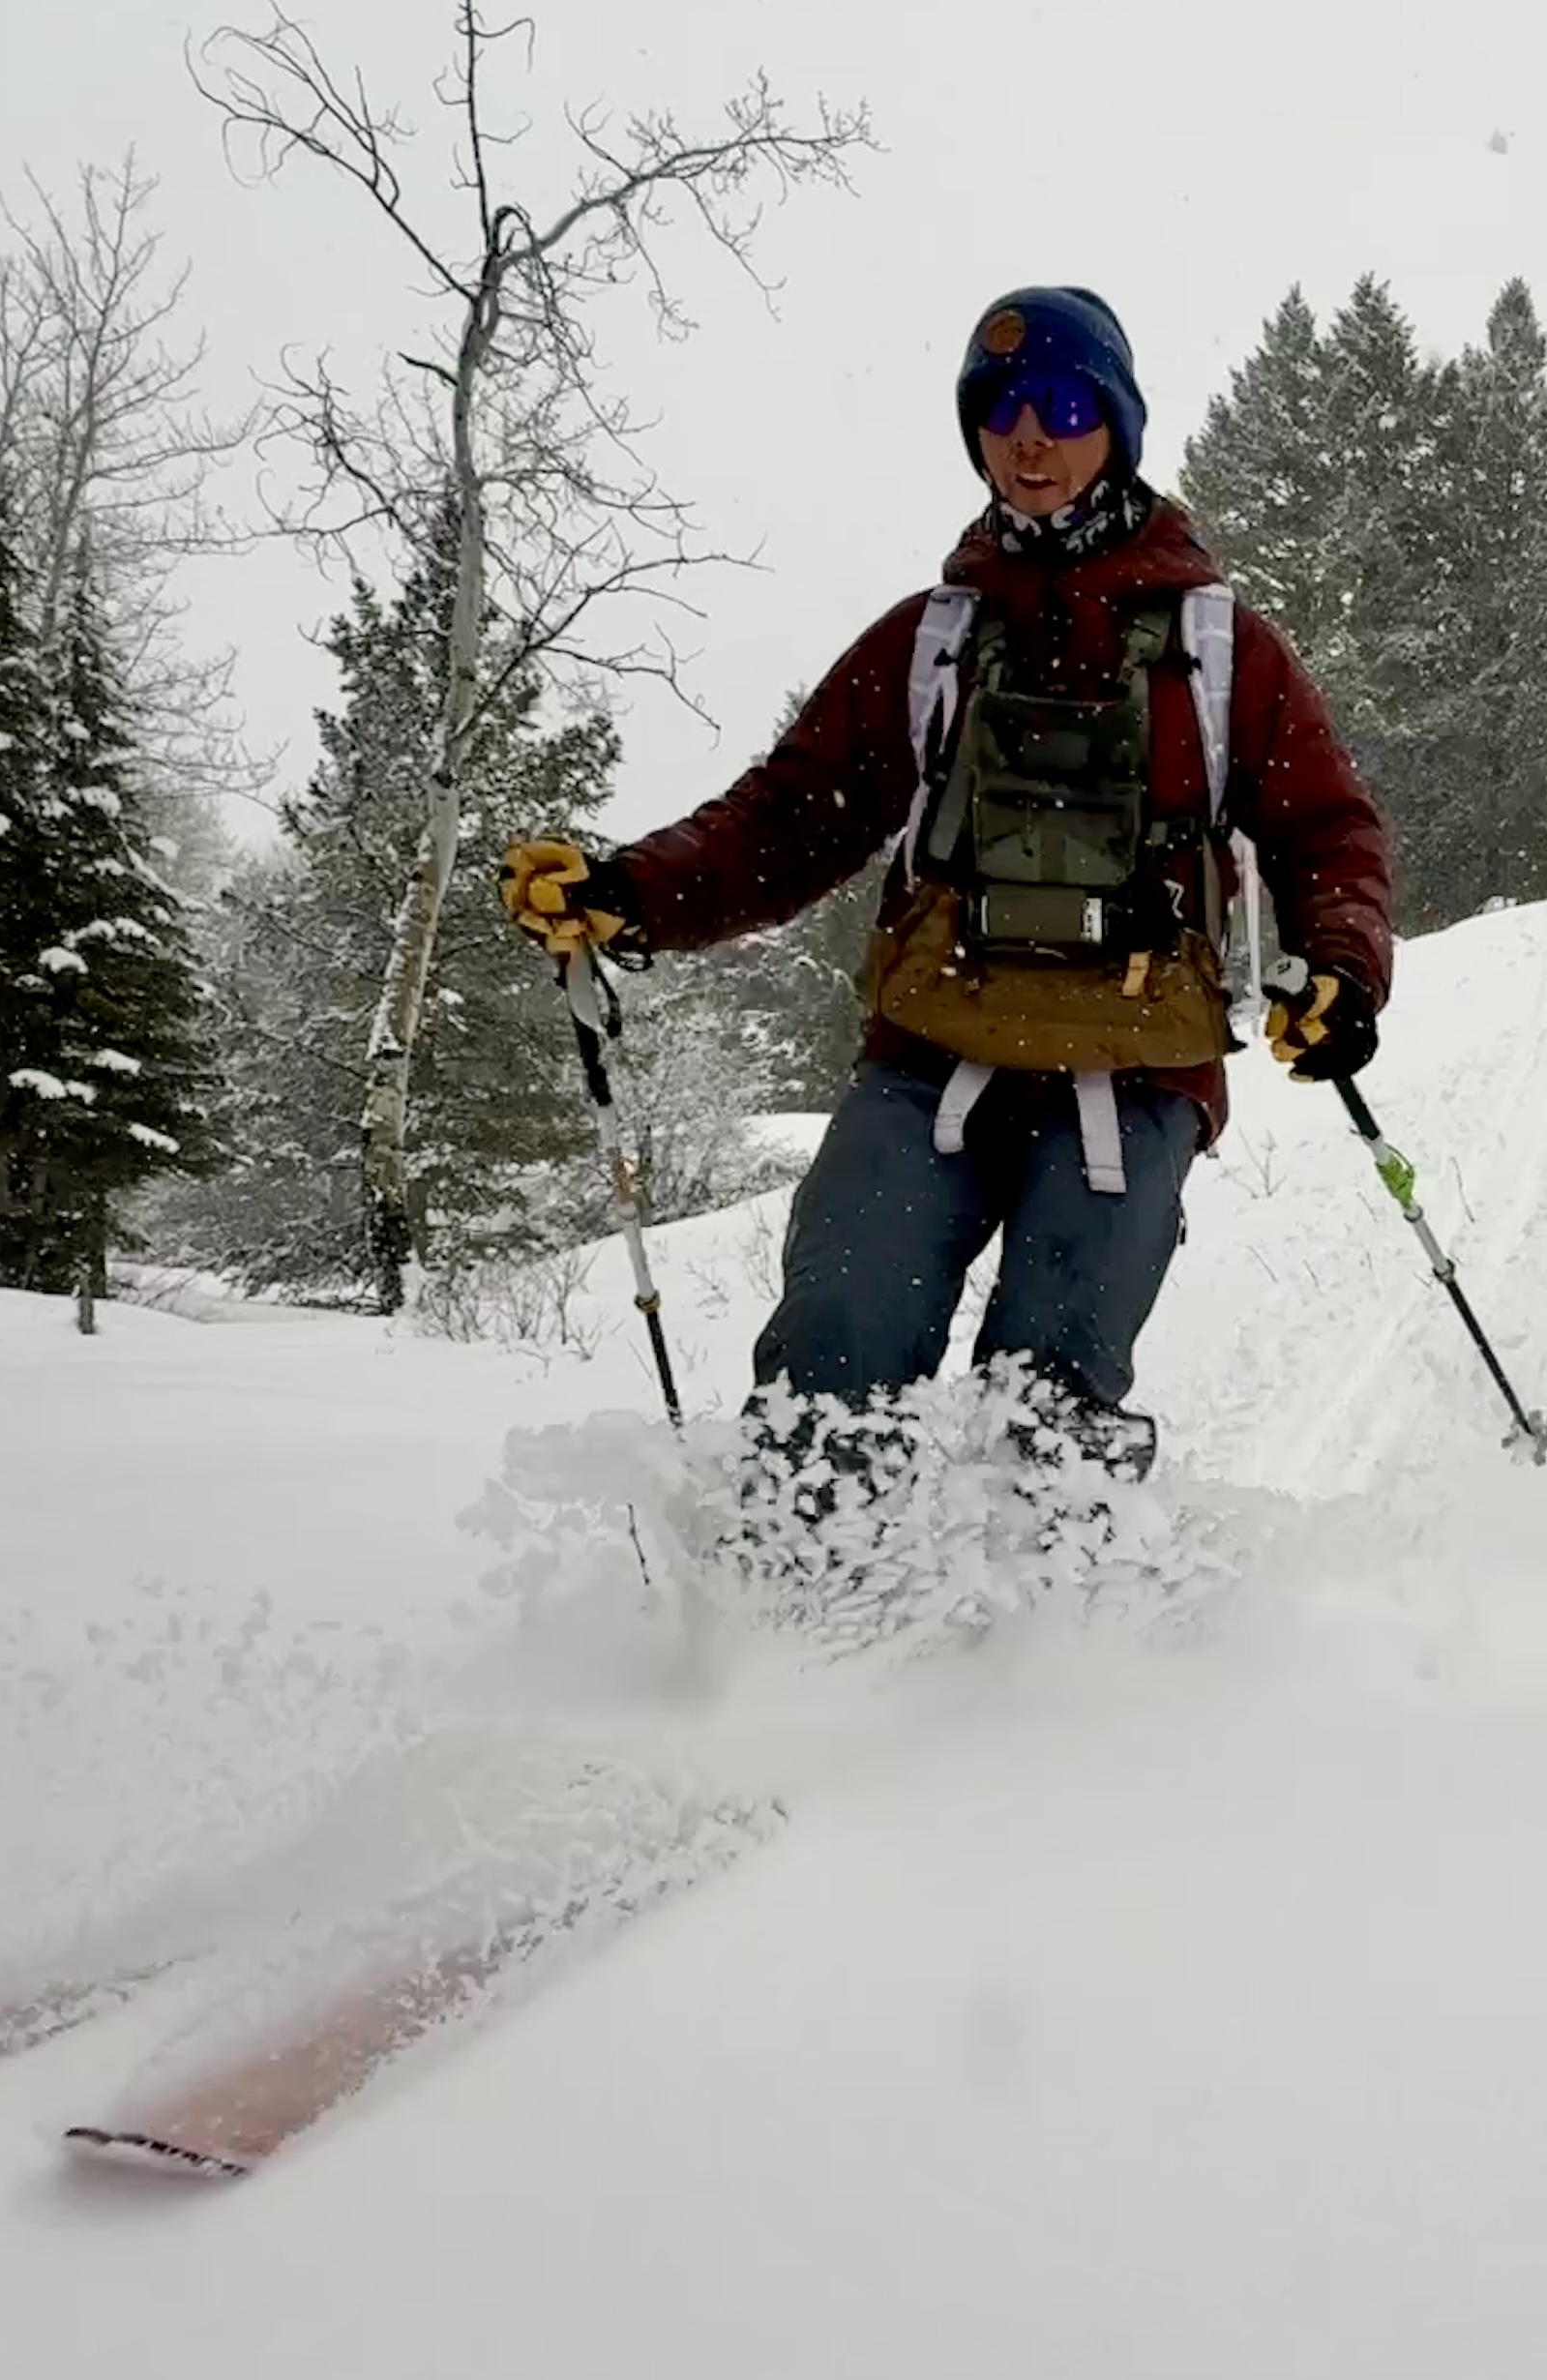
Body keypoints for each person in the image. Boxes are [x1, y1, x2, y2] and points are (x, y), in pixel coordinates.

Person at [500, 284, 1394, 1495]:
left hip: (1131, 1070)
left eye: (1067, 405)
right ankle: (786, 1632)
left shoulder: (1223, 650)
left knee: (1050, 1394)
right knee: (834, 1354)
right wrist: (629, 890)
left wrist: (1340, 965)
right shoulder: (929, 639)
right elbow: (787, 818)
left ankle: (1046, 1659)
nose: (1032, 436)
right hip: (931, 1048)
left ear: (1117, 424)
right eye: (1002, 407)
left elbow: (1325, 830)